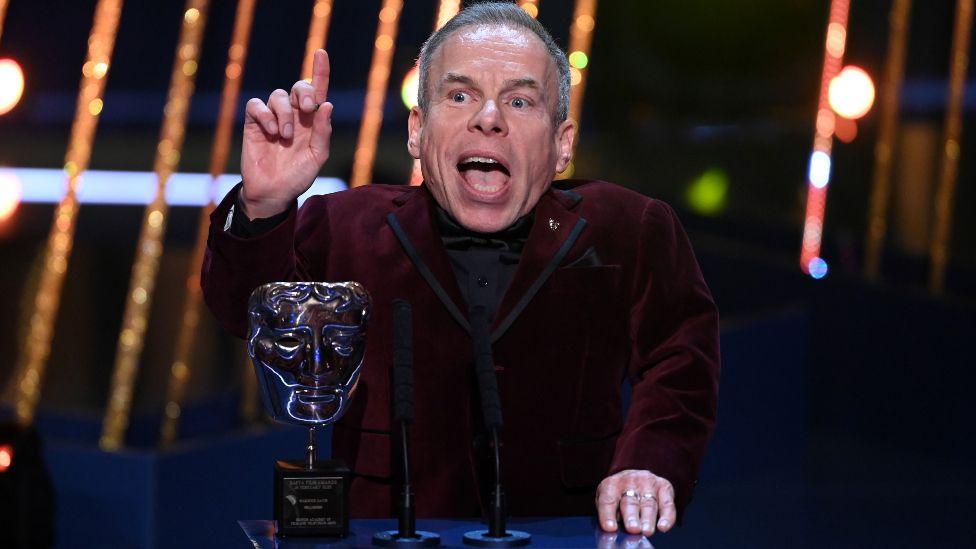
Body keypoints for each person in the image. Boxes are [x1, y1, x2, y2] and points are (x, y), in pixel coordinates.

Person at [202, 2, 719, 538]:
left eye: (519, 100)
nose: (488, 118)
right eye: (459, 95)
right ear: (417, 131)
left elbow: (680, 360)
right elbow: (244, 313)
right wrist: (265, 207)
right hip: (388, 532)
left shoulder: (630, 228)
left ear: (563, 143)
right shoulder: (343, 225)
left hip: (564, 530)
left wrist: (650, 462)